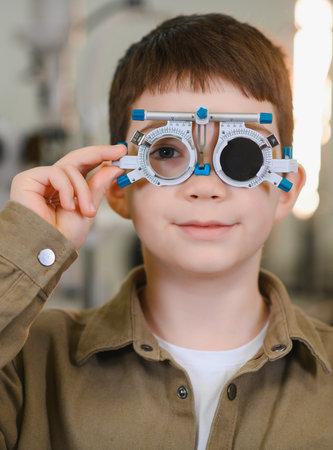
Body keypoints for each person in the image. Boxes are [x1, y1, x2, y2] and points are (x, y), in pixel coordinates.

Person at [0, 12, 332, 450]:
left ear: (286, 191)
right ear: (118, 185)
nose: (205, 186)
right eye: (167, 150)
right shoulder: (29, 363)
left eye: (242, 154)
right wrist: (28, 244)